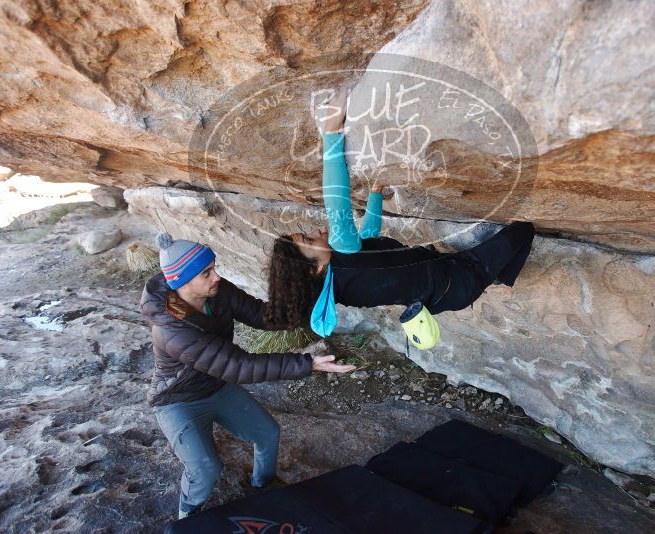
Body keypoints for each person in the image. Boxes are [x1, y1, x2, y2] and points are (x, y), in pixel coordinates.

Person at [263, 88, 536, 332]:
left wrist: (374, 194)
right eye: (309, 240)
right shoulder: (339, 255)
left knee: (510, 242)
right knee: (523, 231)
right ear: (317, 268)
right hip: (459, 279)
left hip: (443, 289)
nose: (317, 232)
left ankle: (498, 273)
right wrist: (330, 133)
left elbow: (369, 242)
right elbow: (337, 201)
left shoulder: (337, 284)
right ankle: (500, 274)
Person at [140, 232, 354, 520]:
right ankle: (187, 514)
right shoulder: (171, 330)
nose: (216, 276)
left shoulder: (217, 291)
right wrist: (306, 364)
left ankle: (262, 487)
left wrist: (308, 292)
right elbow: (238, 366)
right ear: (183, 282)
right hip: (179, 400)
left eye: (214, 267)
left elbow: (264, 316)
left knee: (268, 433)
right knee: (206, 469)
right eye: (207, 272)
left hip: (216, 386)